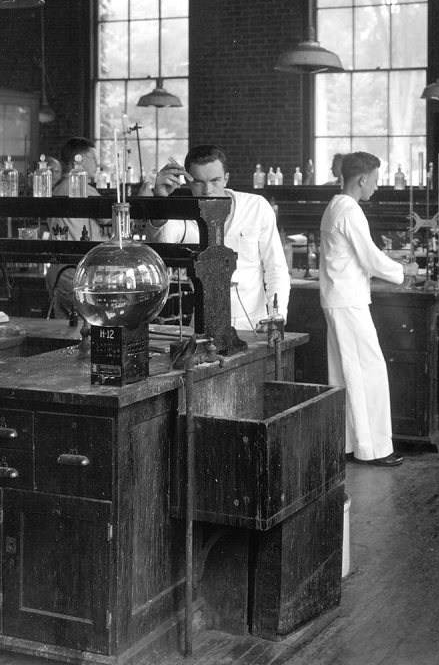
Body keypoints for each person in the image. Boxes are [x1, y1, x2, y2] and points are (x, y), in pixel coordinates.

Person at [319, 151, 416, 467]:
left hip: (339, 299)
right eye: (375, 180)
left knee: (346, 374)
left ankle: (349, 444)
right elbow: (371, 258)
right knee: (370, 372)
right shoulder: (349, 210)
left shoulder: (336, 206)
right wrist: (405, 272)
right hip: (348, 302)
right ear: (361, 179)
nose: (376, 186)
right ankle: (374, 449)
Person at [140, 145, 290, 330]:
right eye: (198, 182)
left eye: (215, 180)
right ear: (187, 181)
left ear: (226, 178)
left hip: (254, 324)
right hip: (203, 325)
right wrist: (160, 199)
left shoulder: (256, 207)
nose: (207, 190)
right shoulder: (183, 215)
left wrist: (277, 314)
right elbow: (159, 246)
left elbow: (276, 268)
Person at [45, 138, 107, 319]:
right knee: (82, 331)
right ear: (77, 160)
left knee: (63, 330)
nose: (97, 163)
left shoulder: (57, 189)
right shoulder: (81, 189)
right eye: (93, 158)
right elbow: (109, 218)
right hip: (76, 272)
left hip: (59, 271)